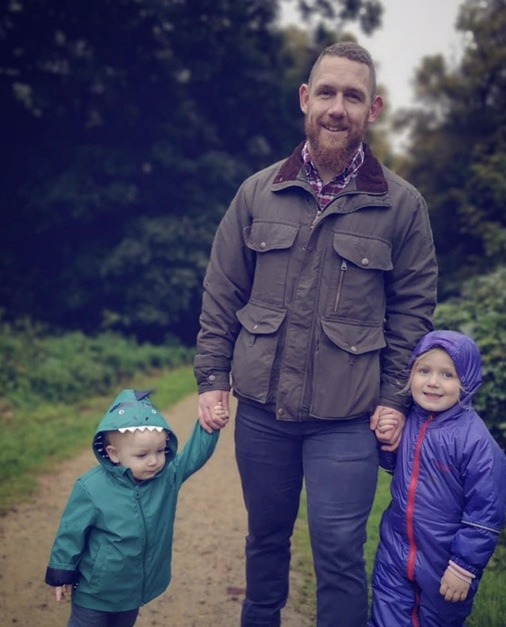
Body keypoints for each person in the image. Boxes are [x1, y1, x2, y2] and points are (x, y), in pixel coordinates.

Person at [194, 40, 438, 627]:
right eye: (326, 92)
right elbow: (222, 290)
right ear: (305, 99)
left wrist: (394, 400)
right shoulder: (257, 193)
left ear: (372, 109)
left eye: (353, 96)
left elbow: (412, 314)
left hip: (348, 418)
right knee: (265, 542)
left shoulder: (402, 207)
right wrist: (210, 377)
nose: (337, 107)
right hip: (261, 415)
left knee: (337, 554)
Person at [370, 330, 506, 627]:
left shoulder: (475, 443)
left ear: (468, 381)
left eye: (448, 374)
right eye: (424, 371)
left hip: (445, 560)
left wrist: (463, 566)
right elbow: (399, 469)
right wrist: (388, 443)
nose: (433, 382)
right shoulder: (409, 419)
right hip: (396, 547)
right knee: (386, 614)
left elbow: (485, 513)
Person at [45, 388, 225, 627]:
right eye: (142, 455)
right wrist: (62, 571)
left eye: (161, 451)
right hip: (95, 591)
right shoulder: (92, 487)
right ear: (114, 454)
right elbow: (71, 530)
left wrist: (209, 426)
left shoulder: (167, 477)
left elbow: (195, 454)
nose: (154, 461)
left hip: (133, 590)